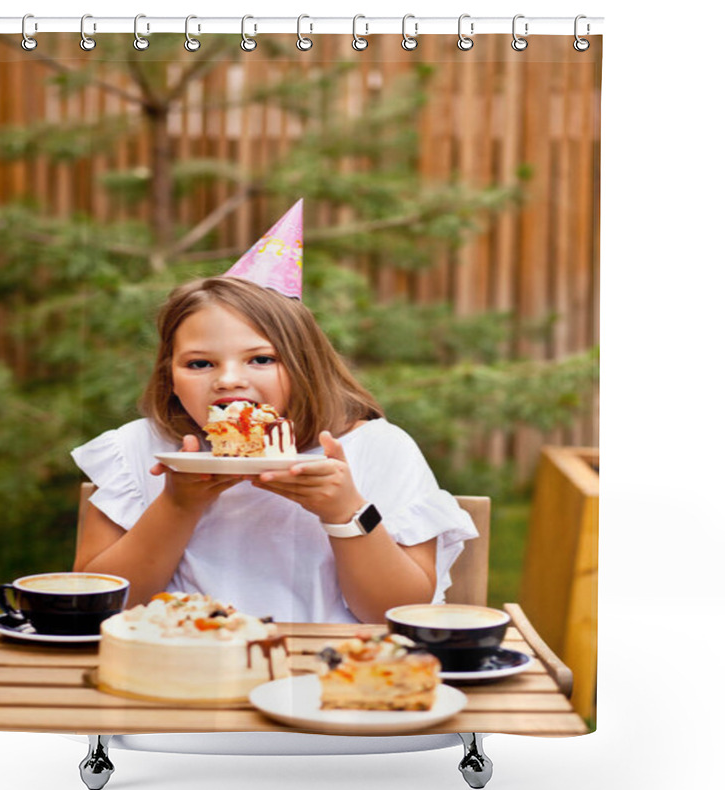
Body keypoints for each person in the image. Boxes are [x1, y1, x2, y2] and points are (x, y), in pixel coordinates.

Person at [72, 207, 477, 625]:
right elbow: (95, 603)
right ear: (169, 376)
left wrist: (344, 512)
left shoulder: (377, 449)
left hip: (327, 670)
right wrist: (177, 504)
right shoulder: (141, 449)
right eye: (199, 364)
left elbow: (396, 613)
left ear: (306, 365)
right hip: (181, 663)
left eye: (261, 359)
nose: (229, 380)